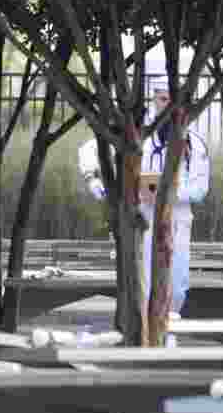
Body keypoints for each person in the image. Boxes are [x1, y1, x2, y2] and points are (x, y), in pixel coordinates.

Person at [78, 75, 210, 315]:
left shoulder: (195, 142)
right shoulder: (137, 134)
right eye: (162, 99)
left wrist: (166, 192)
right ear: (154, 99)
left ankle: (168, 342)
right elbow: (90, 149)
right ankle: (143, 342)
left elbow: (201, 189)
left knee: (176, 288)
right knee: (143, 285)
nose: (167, 105)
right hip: (142, 219)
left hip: (176, 220)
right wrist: (94, 181)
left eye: (173, 100)